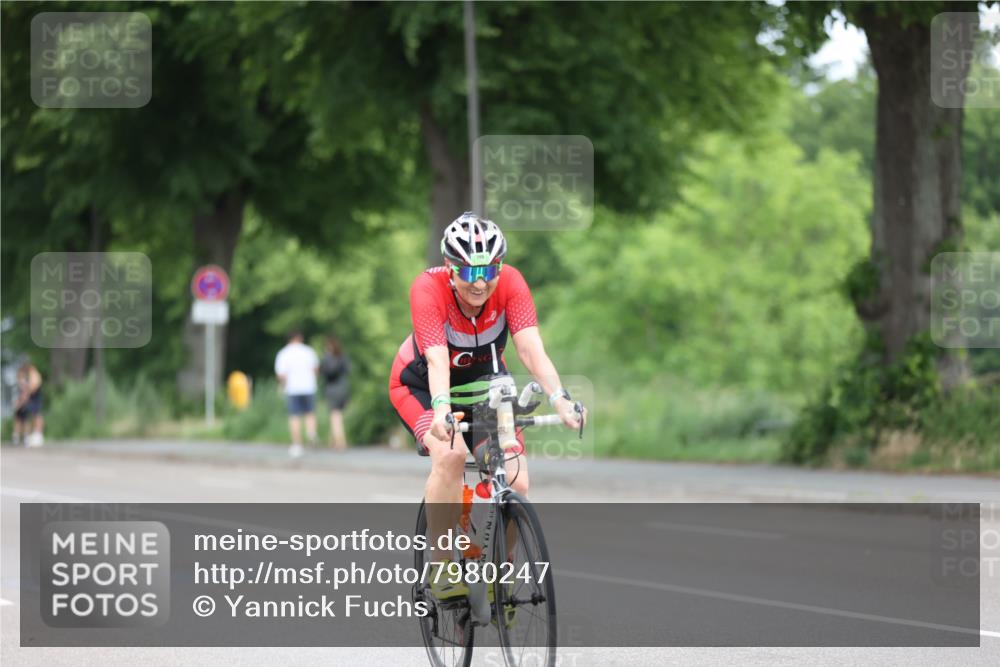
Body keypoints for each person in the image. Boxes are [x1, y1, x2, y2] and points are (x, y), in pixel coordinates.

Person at [388, 212, 585, 601]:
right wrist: (442, 410)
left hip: (484, 388)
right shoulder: (428, 289)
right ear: (450, 267)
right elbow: (437, 360)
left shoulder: (510, 282)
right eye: (468, 272)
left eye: (489, 270)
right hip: (423, 386)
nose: (480, 282)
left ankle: (501, 570)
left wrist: (560, 398)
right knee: (451, 456)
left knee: (516, 478)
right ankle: (443, 565)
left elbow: (530, 348)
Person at [274, 330, 319, 458]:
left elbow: (281, 375)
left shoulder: (284, 353)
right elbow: (315, 369)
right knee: (310, 413)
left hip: (293, 388)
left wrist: (282, 385)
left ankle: (297, 444)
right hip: (309, 387)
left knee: (294, 416)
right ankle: (311, 433)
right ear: (300, 338)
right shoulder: (308, 351)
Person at [320, 335, 351, 451]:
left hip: (333, 389)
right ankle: (333, 441)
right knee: (337, 416)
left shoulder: (327, 358)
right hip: (344, 388)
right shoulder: (343, 357)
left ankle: (341, 442)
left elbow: (327, 373)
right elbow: (348, 371)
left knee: (335, 417)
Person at [13, 361, 44, 447]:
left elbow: (33, 388)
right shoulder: (26, 374)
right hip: (30, 398)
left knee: (37, 415)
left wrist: (25, 395)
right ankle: (35, 434)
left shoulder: (34, 373)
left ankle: (38, 435)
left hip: (35, 397)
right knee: (33, 415)